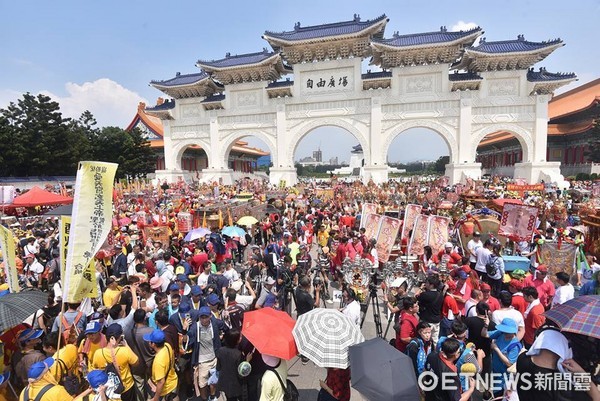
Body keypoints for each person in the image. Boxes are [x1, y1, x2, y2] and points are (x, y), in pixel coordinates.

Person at [516, 328, 596, 401]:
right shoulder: (564, 388)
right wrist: (581, 373)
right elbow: (596, 398)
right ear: (563, 351)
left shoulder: (522, 360)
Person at [186, 306, 229, 401]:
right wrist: (185, 329)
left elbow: (226, 328)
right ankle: (204, 398)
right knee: (202, 384)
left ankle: (212, 396)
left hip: (214, 358)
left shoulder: (215, 323)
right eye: (202, 317)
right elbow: (187, 340)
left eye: (206, 317)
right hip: (202, 362)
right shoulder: (195, 327)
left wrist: (223, 338)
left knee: (213, 380)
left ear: (210, 316)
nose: (204, 320)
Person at [91, 323, 139, 401]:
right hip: (126, 388)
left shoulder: (98, 353)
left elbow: (94, 369)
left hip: (109, 391)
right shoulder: (124, 350)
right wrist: (127, 346)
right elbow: (136, 362)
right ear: (120, 337)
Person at [482, 317, 522, 397]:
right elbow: (484, 334)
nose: (505, 333)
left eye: (507, 331)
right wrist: (486, 325)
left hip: (504, 376)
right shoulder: (501, 333)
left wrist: (496, 349)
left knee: (499, 394)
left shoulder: (514, 345)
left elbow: (509, 363)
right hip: (494, 370)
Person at [143, 329, 179, 401]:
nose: (149, 343)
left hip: (165, 389)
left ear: (153, 344)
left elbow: (161, 382)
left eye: (150, 341)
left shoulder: (158, 361)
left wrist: (156, 398)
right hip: (173, 381)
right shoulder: (167, 346)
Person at [215, 329, 243, 401]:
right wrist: (247, 362)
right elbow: (240, 373)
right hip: (235, 384)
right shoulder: (238, 354)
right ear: (235, 340)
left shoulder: (221, 350)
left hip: (224, 382)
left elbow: (218, 367)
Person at [417, 275, 444, 344]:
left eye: (427, 283)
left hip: (427, 321)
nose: (425, 284)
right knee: (435, 340)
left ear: (431, 285)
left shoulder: (425, 295)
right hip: (436, 321)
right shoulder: (440, 295)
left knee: (424, 340)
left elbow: (415, 297)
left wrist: (420, 288)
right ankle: (435, 352)